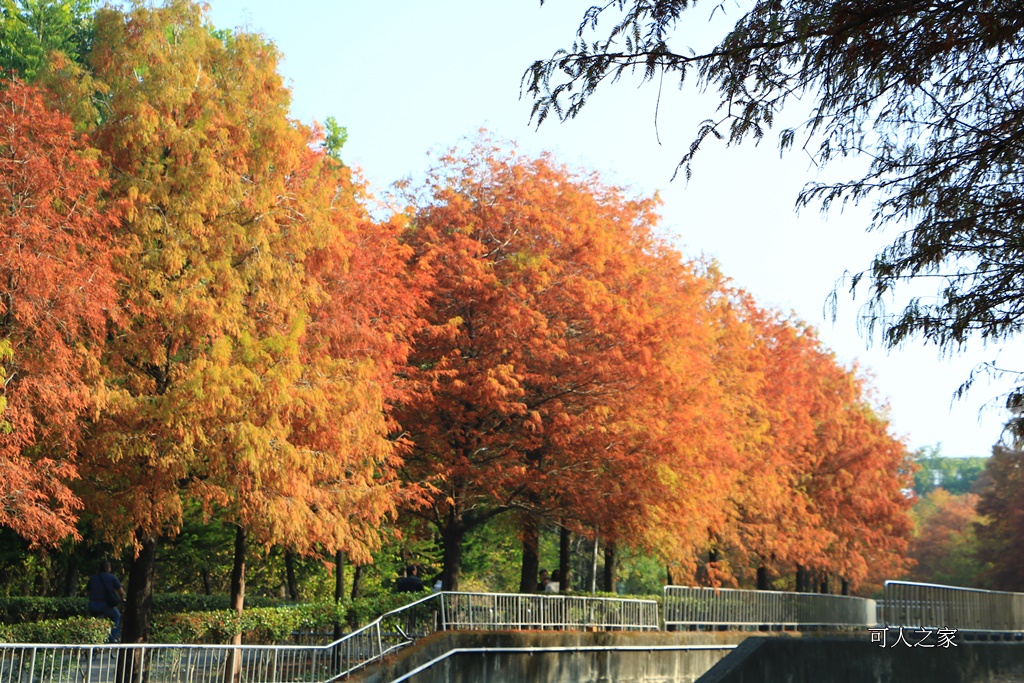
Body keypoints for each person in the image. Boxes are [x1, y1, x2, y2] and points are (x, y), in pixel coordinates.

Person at [86, 559, 125, 643]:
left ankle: (93, 638)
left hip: (92, 605)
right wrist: (122, 600)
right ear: (108, 568)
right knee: (116, 615)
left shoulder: (93, 578)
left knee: (94, 620)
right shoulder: (112, 578)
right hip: (105, 606)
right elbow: (121, 592)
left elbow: (88, 592)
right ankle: (113, 637)